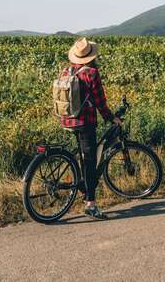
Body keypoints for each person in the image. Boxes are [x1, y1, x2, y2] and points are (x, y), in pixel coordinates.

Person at [61, 37, 121, 220]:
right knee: (89, 161)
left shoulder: (67, 70)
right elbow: (99, 101)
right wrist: (111, 118)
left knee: (83, 155)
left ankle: (81, 185)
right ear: (91, 56)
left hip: (68, 120)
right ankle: (91, 205)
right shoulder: (91, 73)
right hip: (85, 122)